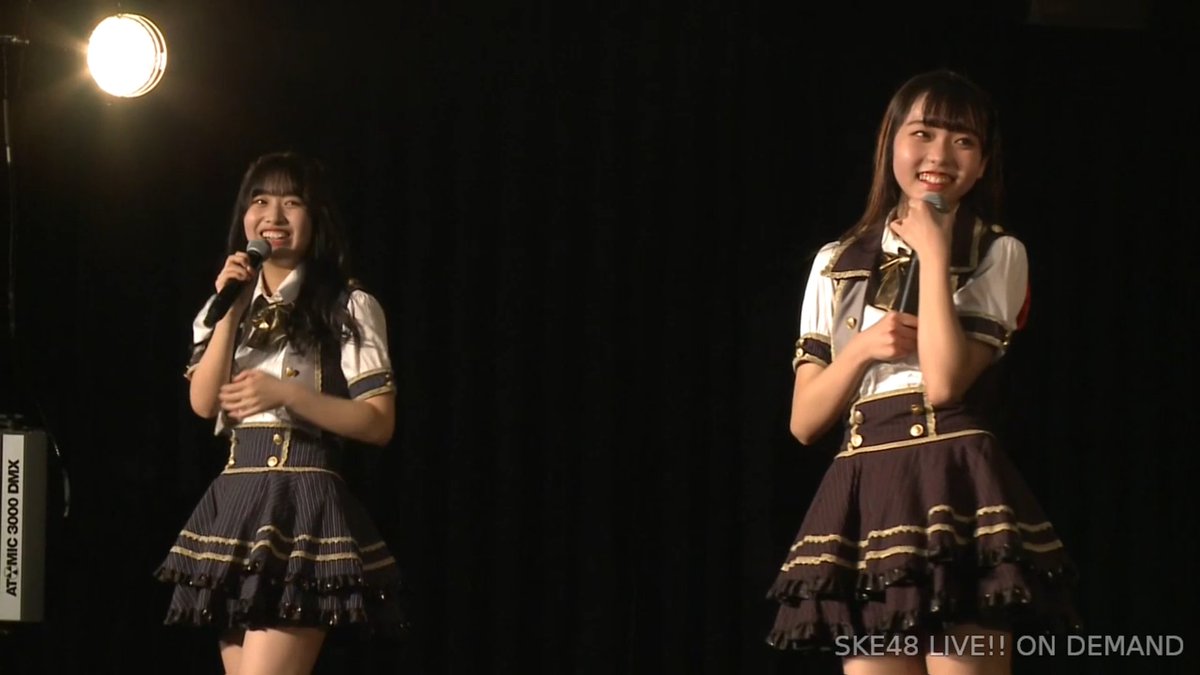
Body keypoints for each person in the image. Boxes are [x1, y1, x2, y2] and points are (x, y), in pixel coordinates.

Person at [765, 70, 1079, 674]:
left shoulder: (996, 251)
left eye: (963, 141)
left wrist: (934, 252)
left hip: (953, 480)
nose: (940, 154)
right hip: (866, 486)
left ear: (982, 164)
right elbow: (804, 422)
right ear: (891, 144)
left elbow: (944, 382)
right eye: (923, 133)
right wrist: (861, 350)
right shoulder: (836, 262)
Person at [155, 151, 405, 675]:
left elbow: (378, 422)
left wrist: (286, 394)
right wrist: (231, 308)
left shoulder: (347, 304)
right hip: (237, 502)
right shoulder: (223, 306)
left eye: (292, 203)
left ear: (316, 217)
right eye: (260, 200)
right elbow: (203, 403)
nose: (273, 215)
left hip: (302, 502)